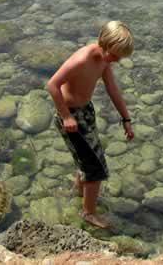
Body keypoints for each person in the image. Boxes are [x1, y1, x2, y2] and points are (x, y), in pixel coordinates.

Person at [47, 21, 134, 228]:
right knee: (95, 168)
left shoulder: (104, 61)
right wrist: (67, 116)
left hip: (86, 112)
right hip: (71, 116)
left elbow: (113, 89)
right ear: (104, 43)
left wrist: (126, 119)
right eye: (114, 55)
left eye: (119, 58)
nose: (115, 61)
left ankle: (79, 190)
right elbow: (52, 85)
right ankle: (88, 213)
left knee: (86, 157)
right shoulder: (81, 59)